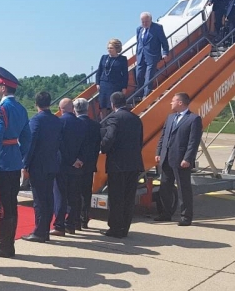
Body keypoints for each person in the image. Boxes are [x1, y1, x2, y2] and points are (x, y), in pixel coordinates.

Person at [0, 67, 30, 257]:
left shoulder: (1, 109)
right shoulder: (21, 108)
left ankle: (3, 245)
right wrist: (19, 154)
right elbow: (27, 138)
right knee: (11, 203)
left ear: (3, 88)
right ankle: (7, 242)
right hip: (14, 160)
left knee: (3, 205)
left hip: (2, 161)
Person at [154, 93, 203, 226]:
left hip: (181, 160)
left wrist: (188, 158)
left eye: (173, 101)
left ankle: (186, 216)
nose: (171, 103)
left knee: (183, 189)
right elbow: (163, 137)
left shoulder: (193, 119)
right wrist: (159, 152)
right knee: (165, 187)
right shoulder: (170, 117)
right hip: (166, 158)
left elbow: (193, 142)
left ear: (180, 103)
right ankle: (166, 213)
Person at [100, 92, 144, 238]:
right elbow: (140, 141)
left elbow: (109, 137)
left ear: (112, 104)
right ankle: (125, 228)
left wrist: (103, 148)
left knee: (116, 197)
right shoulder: (136, 118)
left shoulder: (114, 118)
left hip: (117, 164)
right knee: (129, 198)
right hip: (134, 163)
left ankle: (115, 228)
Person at [21, 91, 63, 243]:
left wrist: (25, 164)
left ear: (36, 104)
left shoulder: (36, 120)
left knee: (39, 200)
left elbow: (31, 144)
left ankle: (39, 231)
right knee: (48, 198)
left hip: (38, 165)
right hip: (52, 164)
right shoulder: (57, 120)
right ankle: (45, 230)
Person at [52, 98, 87, 236]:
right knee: (74, 196)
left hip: (62, 165)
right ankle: (71, 225)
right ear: (72, 108)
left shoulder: (59, 122)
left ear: (60, 109)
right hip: (77, 165)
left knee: (60, 195)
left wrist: (71, 160)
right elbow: (86, 144)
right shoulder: (82, 123)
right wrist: (80, 160)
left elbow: (59, 144)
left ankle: (59, 225)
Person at [73, 97, 101, 228]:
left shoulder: (74, 124)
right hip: (90, 164)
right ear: (88, 109)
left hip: (75, 164)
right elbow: (97, 146)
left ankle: (76, 219)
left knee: (75, 192)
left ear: (75, 110)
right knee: (86, 192)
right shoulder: (96, 126)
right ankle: (84, 219)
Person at [135, 12, 170, 96]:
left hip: (152, 56)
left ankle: (146, 95)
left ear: (151, 20)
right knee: (139, 75)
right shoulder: (139, 29)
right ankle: (141, 93)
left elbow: (164, 42)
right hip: (141, 56)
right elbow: (139, 43)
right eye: (143, 22)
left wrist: (165, 53)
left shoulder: (158, 28)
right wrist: (137, 54)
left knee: (149, 76)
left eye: (146, 21)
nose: (144, 23)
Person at [95, 39, 129, 119]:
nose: (109, 50)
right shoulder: (104, 57)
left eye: (111, 48)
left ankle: (113, 121)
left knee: (113, 104)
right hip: (104, 84)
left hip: (115, 85)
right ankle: (104, 122)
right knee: (103, 105)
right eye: (108, 48)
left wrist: (124, 87)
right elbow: (99, 71)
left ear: (116, 49)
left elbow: (125, 74)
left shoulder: (122, 59)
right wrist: (97, 83)